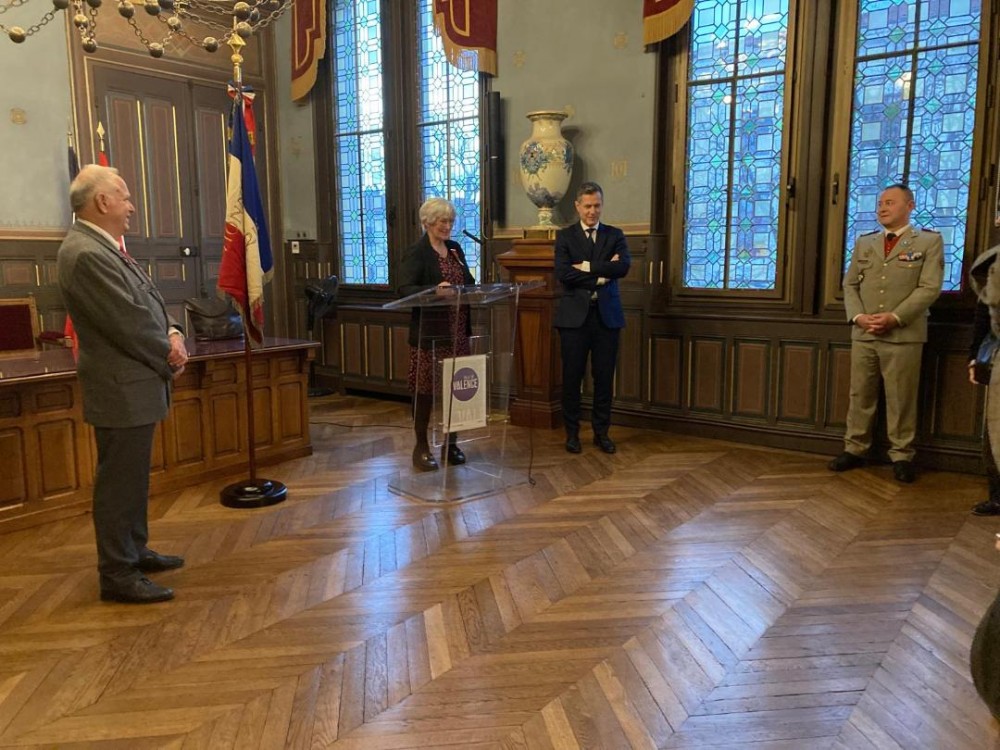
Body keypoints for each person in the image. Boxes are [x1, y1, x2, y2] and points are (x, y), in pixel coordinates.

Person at [57, 164, 188, 604]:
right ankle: (117, 573)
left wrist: (174, 331)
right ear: (102, 201)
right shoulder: (86, 253)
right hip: (121, 388)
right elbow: (128, 324)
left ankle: (134, 550)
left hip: (134, 385)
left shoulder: (104, 247)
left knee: (132, 479)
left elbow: (148, 302)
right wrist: (169, 353)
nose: (131, 206)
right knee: (118, 484)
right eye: (125, 196)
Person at [828, 183, 944, 483]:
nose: (882, 208)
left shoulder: (929, 241)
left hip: (903, 335)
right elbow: (850, 284)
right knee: (860, 394)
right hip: (864, 333)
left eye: (890, 202)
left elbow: (930, 287)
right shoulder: (865, 242)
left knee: (901, 398)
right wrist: (858, 317)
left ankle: (902, 455)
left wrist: (895, 317)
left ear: (910, 206)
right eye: (880, 203)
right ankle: (855, 449)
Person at [554, 182, 631, 454]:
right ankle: (572, 435)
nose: (592, 211)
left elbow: (623, 267)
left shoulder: (615, 235)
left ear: (602, 205)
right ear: (577, 206)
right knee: (572, 378)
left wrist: (586, 267)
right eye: (587, 206)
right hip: (573, 320)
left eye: (597, 205)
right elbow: (564, 274)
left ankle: (601, 434)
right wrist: (602, 274)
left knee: (604, 379)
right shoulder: (565, 237)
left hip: (607, 318)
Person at [399, 198, 476, 471]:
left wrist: (468, 287)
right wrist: (434, 291)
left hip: (458, 331)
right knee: (425, 390)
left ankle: (451, 444)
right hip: (430, 334)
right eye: (443, 221)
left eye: (451, 221)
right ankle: (421, 447)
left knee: (457, 389)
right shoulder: (417, 252)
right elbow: (404, 289)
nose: (447, 226)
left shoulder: (454, 249)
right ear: (427, 222)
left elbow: (468, 281)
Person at [967, 249, 1000, 516]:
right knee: (994, 431)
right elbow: (984, 310)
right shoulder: (993, 259)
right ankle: (998, 496)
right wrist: (975, 356)